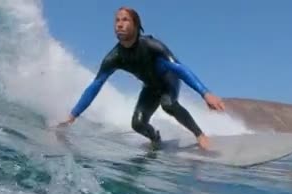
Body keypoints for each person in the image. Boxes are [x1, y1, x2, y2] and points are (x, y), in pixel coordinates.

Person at [53, 6, 225, 150]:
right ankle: (155, 139)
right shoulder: (114, 58)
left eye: (125, 20)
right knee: (137, 124)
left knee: (168, 104)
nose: (119, 24)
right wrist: (73, 115)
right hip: (150, 87)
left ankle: (199, 134)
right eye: (117, 20)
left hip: (168, 80)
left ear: (136, 25)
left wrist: (205, 93)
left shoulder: (151, 46)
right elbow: (96, 85)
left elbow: (178, 68)